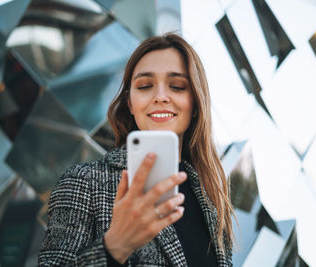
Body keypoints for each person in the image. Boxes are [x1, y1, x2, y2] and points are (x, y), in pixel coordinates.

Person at [38, 33, 234, 267]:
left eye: (177, 86)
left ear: (195, 104)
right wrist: (115, 246)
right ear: (130, 102)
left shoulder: (211, 196)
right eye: (145, 86)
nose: (160, 97)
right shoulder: (84, 181)